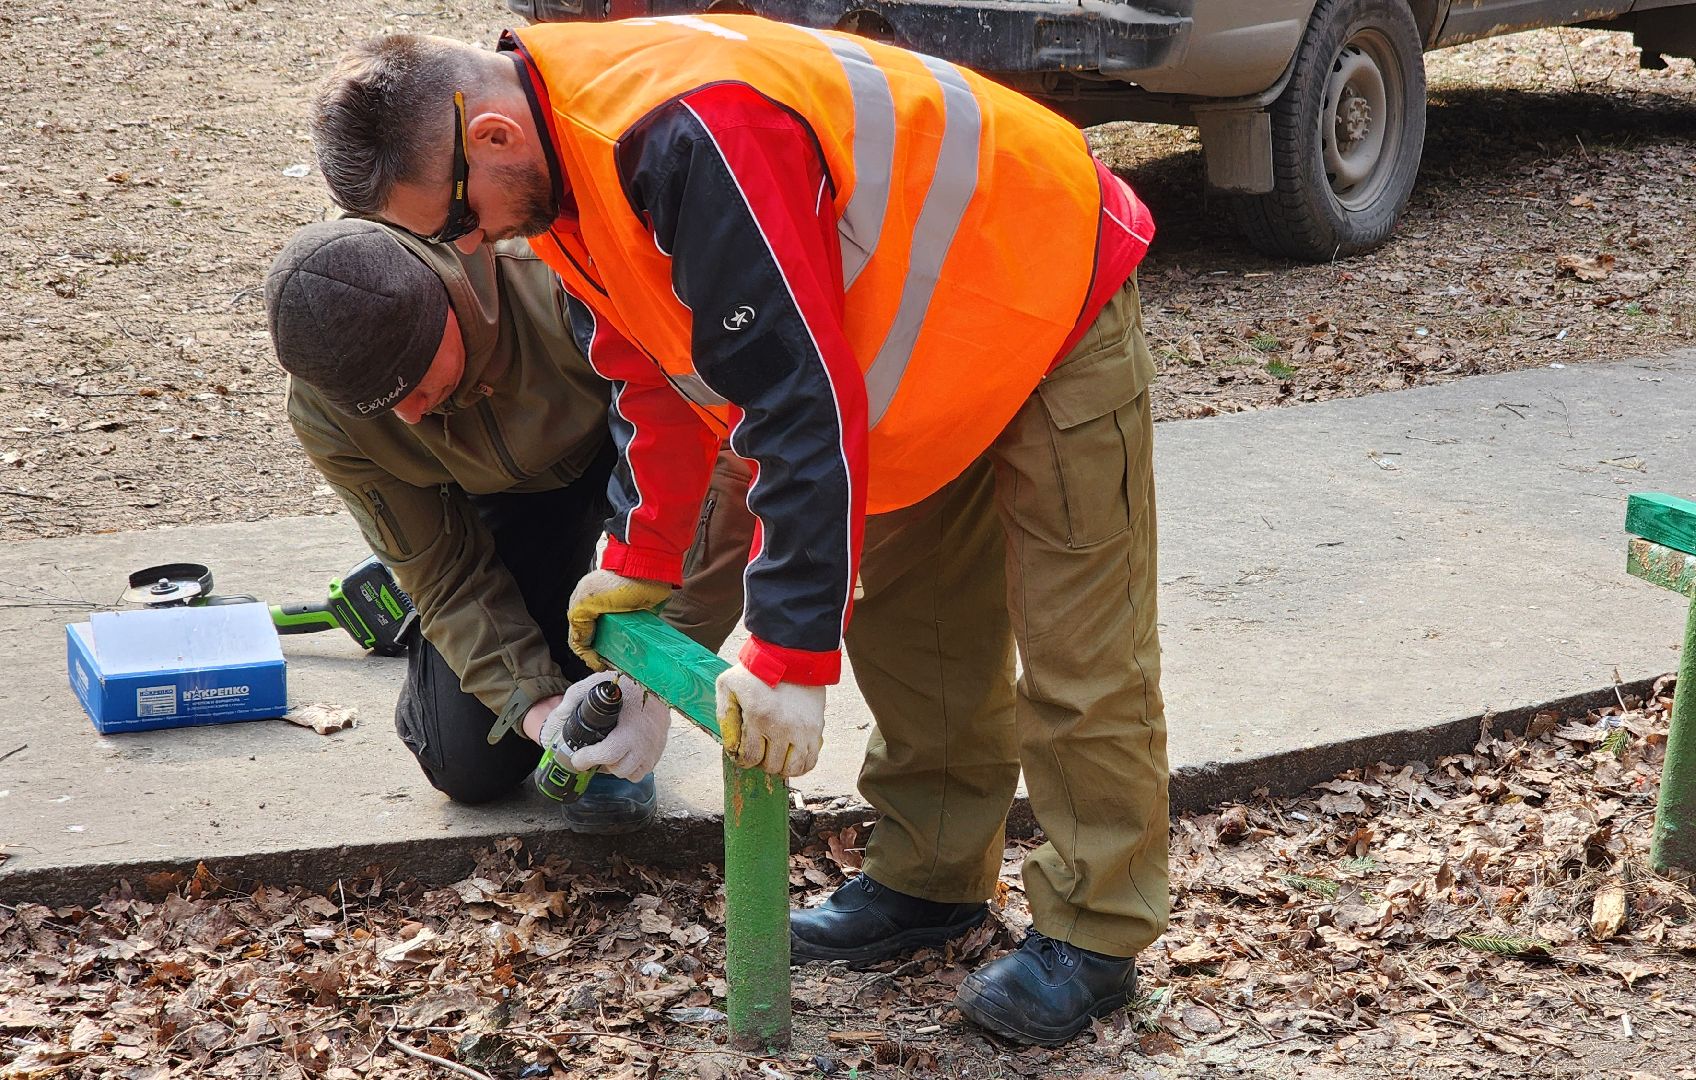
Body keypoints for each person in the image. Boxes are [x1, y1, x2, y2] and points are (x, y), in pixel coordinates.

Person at [309, 15, 1165, 1046]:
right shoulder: (564, 180)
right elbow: (654, 375)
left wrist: (788, 656)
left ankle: (1095, 933)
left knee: (1080, 648)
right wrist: (640, 561)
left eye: (456, 220)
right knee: (914, 625)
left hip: (1045, 285)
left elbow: (790, 402)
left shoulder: (687, 135)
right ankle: (929, 877)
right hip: (917, 346)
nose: (468, 245)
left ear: (491, 135)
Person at [266, 218, 753, 832]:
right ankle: (422, 581)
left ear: (445, 305)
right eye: (381, 408)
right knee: (470, 764)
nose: (410, 418)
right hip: (508, 501)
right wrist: (542, 712)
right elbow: (444, 576)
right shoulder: (324, 409)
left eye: (412, 383)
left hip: (636, 454)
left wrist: (649, 680)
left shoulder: (558, 277)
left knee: (619, 668)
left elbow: (732, 464)